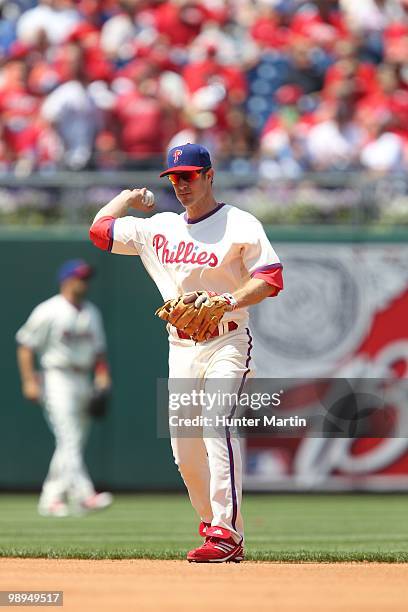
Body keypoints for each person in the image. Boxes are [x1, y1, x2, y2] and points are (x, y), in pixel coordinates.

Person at [89, 143, 284, 562]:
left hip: (228, 339)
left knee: (217, 423)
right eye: (175, 177)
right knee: (184, 451)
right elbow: (99, 230)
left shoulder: (240, 223)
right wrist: (128, 198)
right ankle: (212, 522)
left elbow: (269, 279)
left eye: (190, 175)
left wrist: (229, 301)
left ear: (209, 176)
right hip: (181, 346)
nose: (181, 183)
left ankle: (226, 533)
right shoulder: (157, 228)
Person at [16, 259, 113, 517]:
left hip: (83, 378)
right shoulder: (49, 310)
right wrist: (28, 380)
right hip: (56, 377)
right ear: (66, 280)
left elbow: (100, 352)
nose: (85, 283)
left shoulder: (91, 312)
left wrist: (102, 377)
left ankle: (50, 498)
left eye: (86, 278)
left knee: (72, 441)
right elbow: (25, 345)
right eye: (80, 278)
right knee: (68, 437)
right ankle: (85, 495)